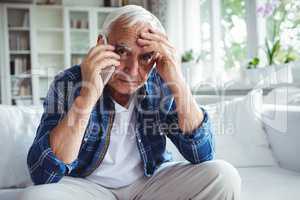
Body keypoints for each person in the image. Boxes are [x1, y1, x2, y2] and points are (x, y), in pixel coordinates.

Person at [21, 5, 241, 200]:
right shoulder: (67, 82)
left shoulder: (161, 82)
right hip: (87, 186)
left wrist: (177, 80)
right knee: (36, 196)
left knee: (224, 176)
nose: (132, 70)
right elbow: (43, 173)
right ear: (101, 44)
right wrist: (87, 96)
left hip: (150, 182)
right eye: (121, 52)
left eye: (145, 57)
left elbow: (202, 154)